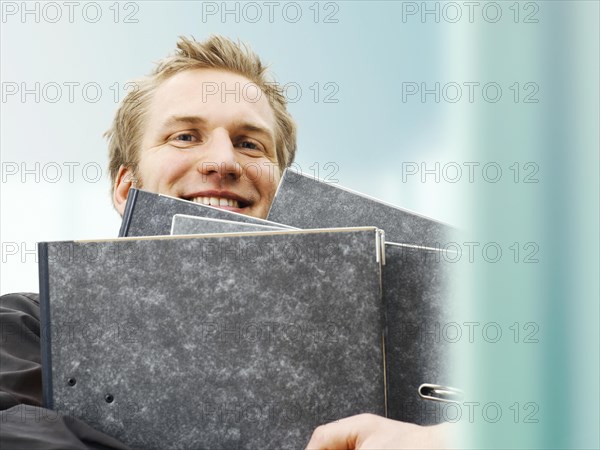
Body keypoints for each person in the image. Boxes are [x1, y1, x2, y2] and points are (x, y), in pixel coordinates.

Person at [0, 35, 450, 449]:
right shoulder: (26, 328)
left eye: (250, 144)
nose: (222, 161)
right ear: (126, 189)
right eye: (184, 136)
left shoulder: (404, 348)